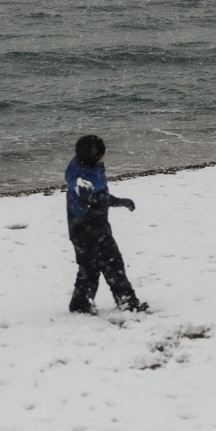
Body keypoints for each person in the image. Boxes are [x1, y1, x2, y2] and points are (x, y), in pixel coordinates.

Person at [64, 135, 148, 315]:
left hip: (100, 229)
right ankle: (80, 305)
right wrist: (83, 199)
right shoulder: (79, 179)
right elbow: (77, 209)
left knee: (115, 265)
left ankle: (126, 301)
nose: (105, 156)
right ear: (94, 155)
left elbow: (101, 198)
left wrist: (119, 202)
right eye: (102, 153)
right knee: (89, 271)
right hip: (83, 233)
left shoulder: (94, 170)